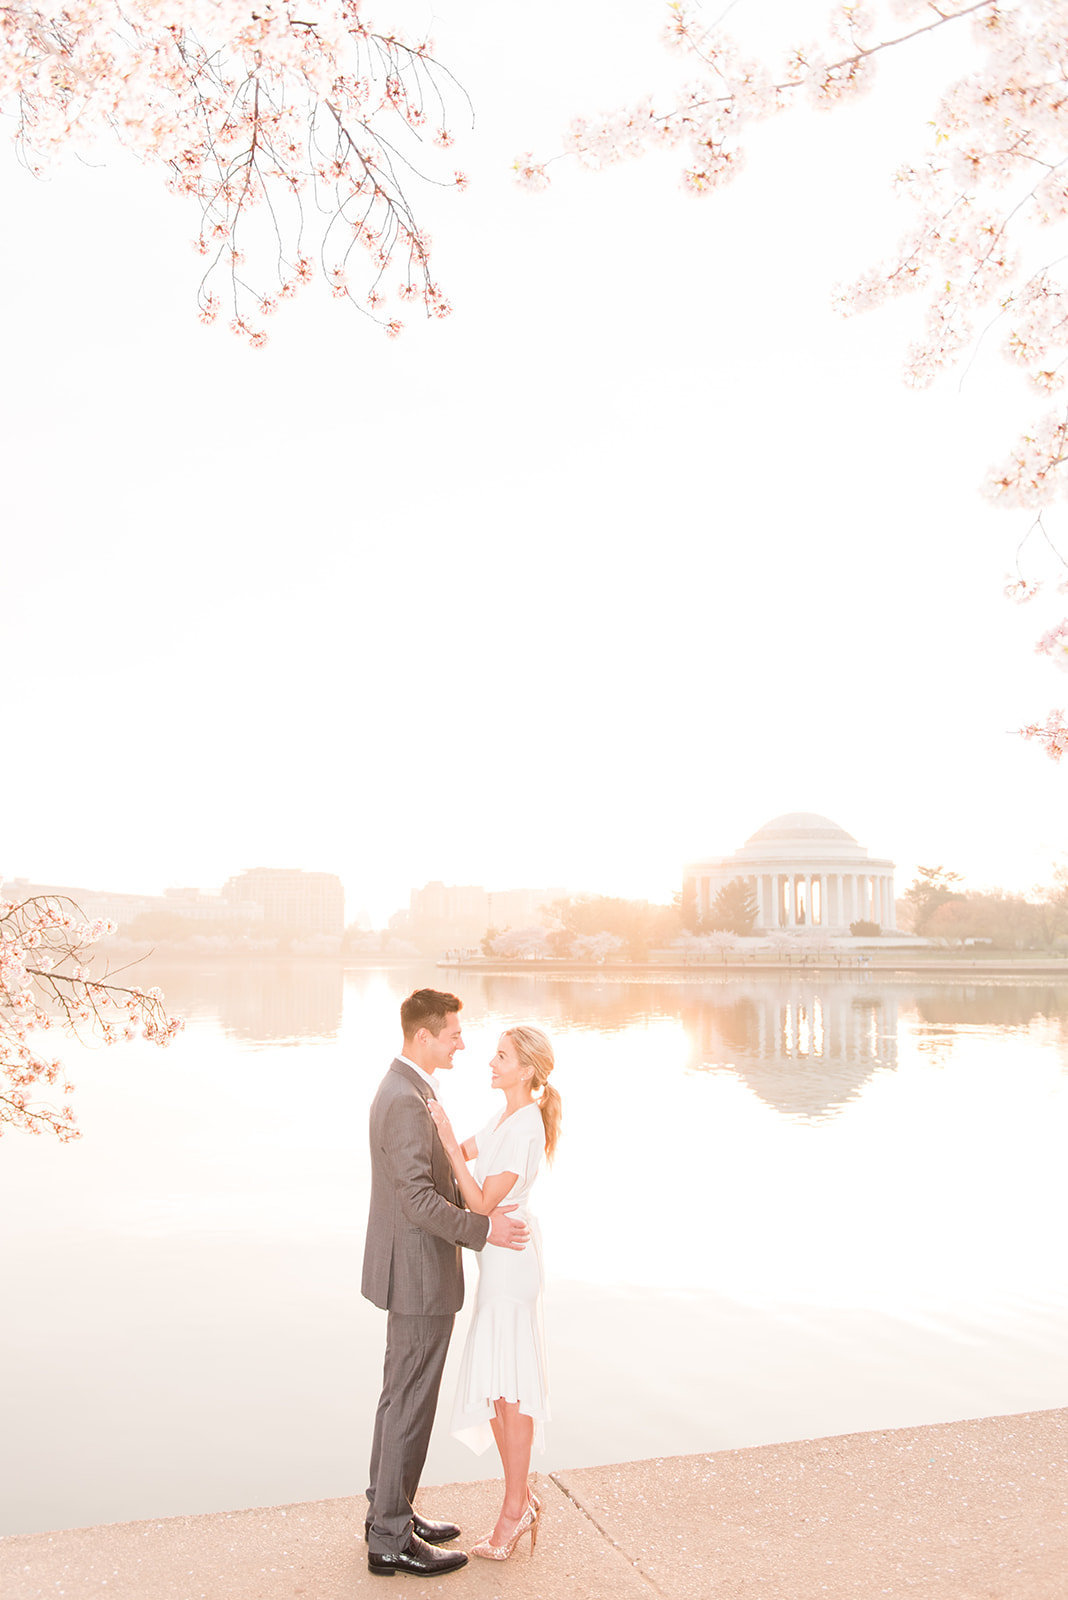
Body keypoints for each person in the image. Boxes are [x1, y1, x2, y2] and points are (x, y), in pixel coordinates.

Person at [361, 988, 529, 1578]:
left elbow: (434, 1181)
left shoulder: (410, 1088)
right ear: (424, 1036)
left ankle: (391, 1512)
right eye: (454, 1034)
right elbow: (417, 1199)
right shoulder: (406, 1098)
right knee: (409, 1400)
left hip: (414, 1269)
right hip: (417, 1273)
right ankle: (390, 1537)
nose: (462, 1043)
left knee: (400, 1397)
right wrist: (484, 1229)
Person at [428, 1024, 560, 1562]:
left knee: (511, 1390)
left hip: (510, 1270)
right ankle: (520, 1498)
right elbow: (462, 1155)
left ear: (526, 1069)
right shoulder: (504, 1117)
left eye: (501, 1056)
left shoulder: (526, 1126)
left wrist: (445, 1135)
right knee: (496, 1387)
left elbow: (481, 1202)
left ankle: (513, 1508)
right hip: (496, 1265)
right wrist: (440, 1138)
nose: (491, 1062)